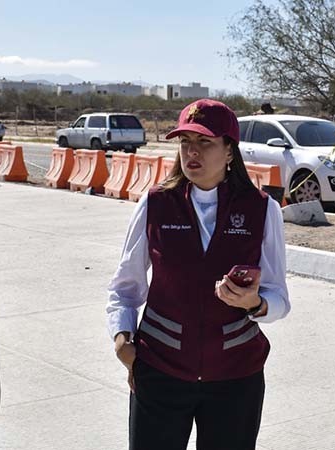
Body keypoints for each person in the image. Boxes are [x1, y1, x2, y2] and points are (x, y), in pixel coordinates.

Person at [106, 98, 290, 450]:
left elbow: (279, 297)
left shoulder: (262, 209)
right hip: (160, 371)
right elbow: (125, 288)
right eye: (185, 142)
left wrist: (256, 303)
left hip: (236, 378)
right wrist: (122, 343)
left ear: (229, 151)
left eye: (205, 142)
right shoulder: (156, 203)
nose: (192, 152)